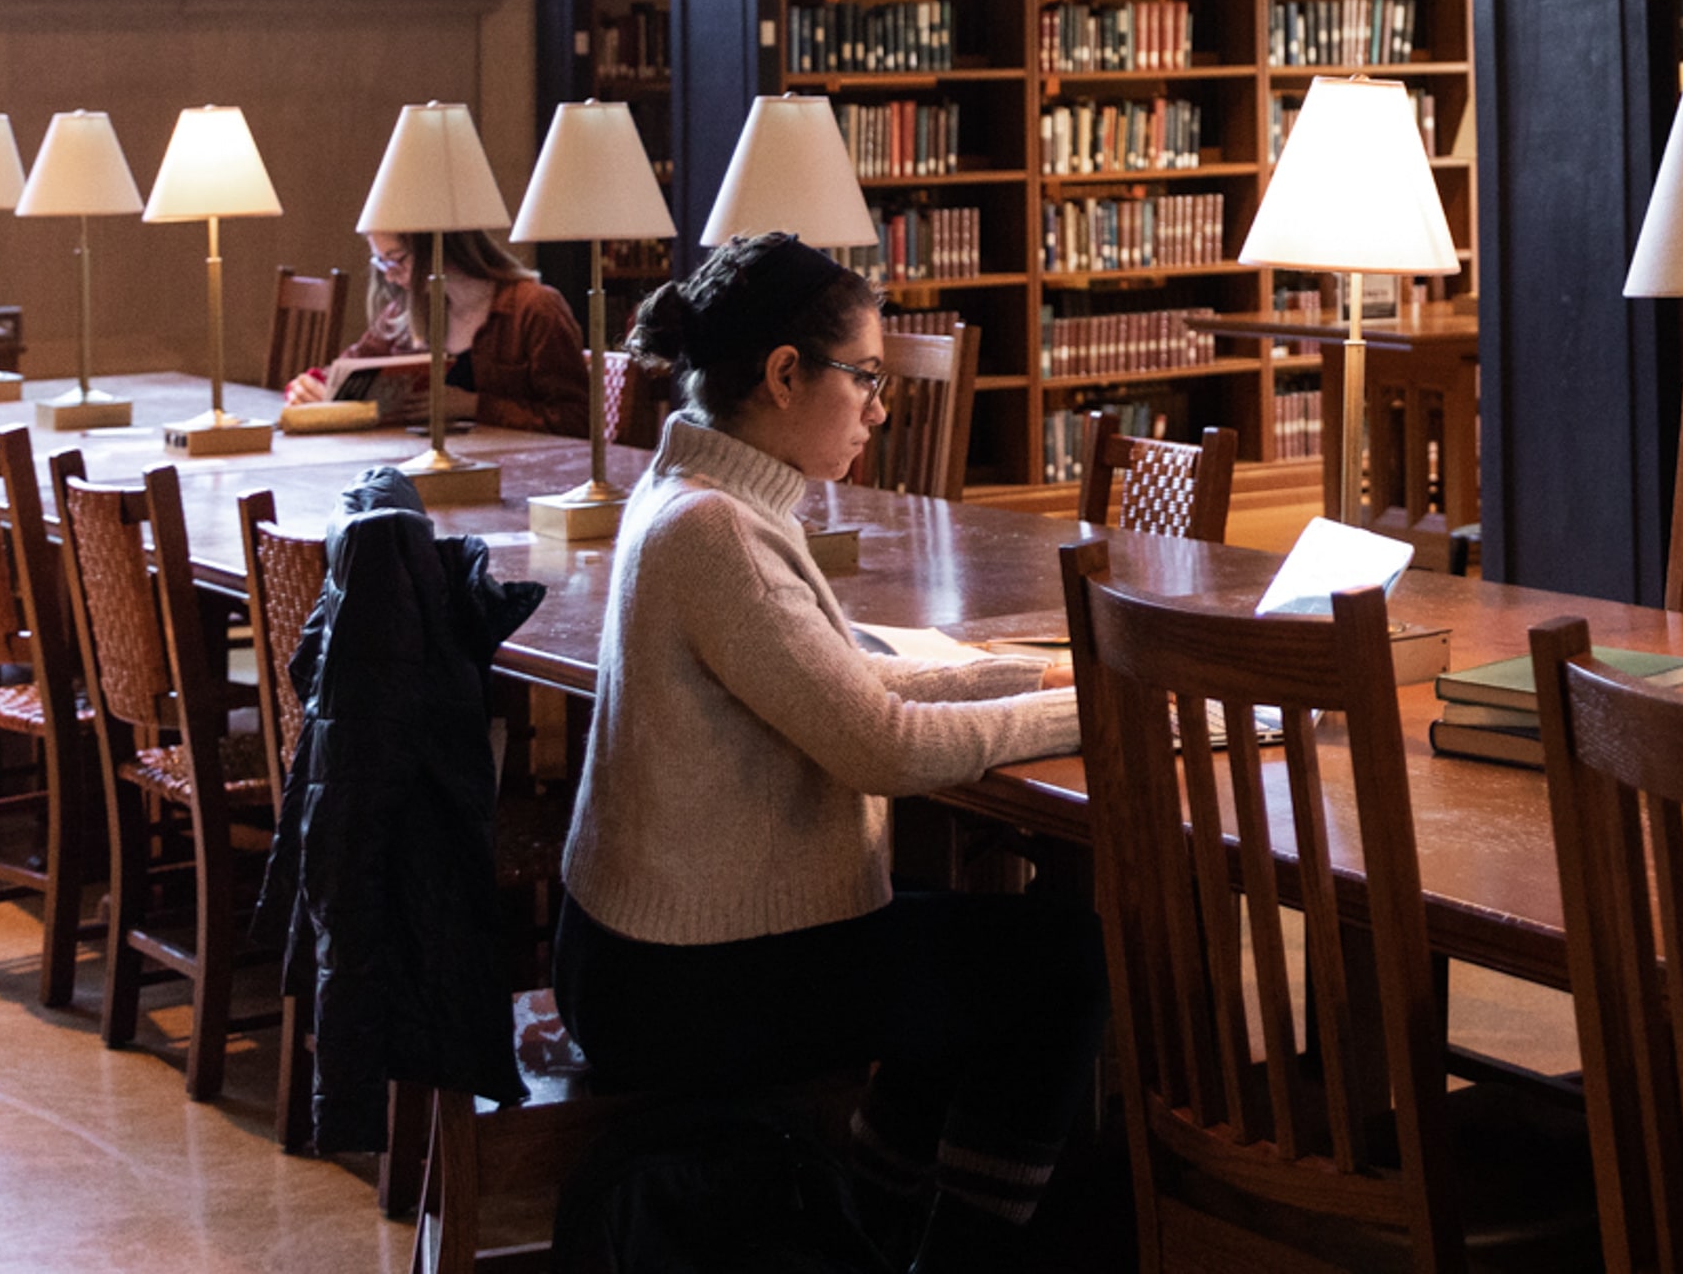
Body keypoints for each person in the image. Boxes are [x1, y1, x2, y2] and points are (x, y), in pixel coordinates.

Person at [556, 232, 1104, 1269]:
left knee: (981, 954)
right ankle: (947, 1252)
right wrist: (1105, 714)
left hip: (658, 954)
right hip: (678, 986)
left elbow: (849, 684)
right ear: (782, 375)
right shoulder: (716, 534)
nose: (880, 410)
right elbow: (885, 747)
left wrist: (1039, 679)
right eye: (864, 379)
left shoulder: (702, 499)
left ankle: (878, 1225)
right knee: (1058, 963)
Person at [281, 227, 592, 436]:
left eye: (397, 259)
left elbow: (576, 420)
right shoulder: (407, 312)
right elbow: (347, 368)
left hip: (519, 479)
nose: (389, 276)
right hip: (417, 473)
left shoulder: (534, 308)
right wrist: (311, 386)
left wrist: (474, 407)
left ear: (442, 249)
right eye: (381, 261)